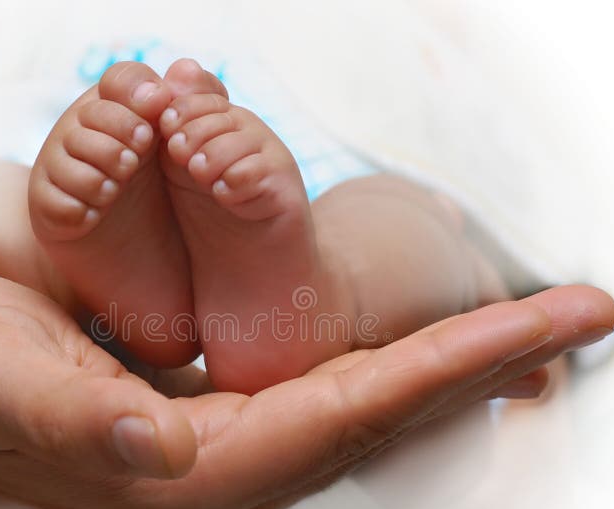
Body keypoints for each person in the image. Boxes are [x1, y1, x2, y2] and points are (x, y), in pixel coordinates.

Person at [0, 61, 614, 509]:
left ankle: (82, 278)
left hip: (39, 135)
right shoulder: (409, 139)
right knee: (405, 224)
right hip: (310, 172)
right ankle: (324, 300)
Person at [29, 58, 509, 394]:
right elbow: (517, 323)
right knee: (411, 213)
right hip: (316, 201)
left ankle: (311, 301)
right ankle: (320, 299)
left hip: (317, 191)